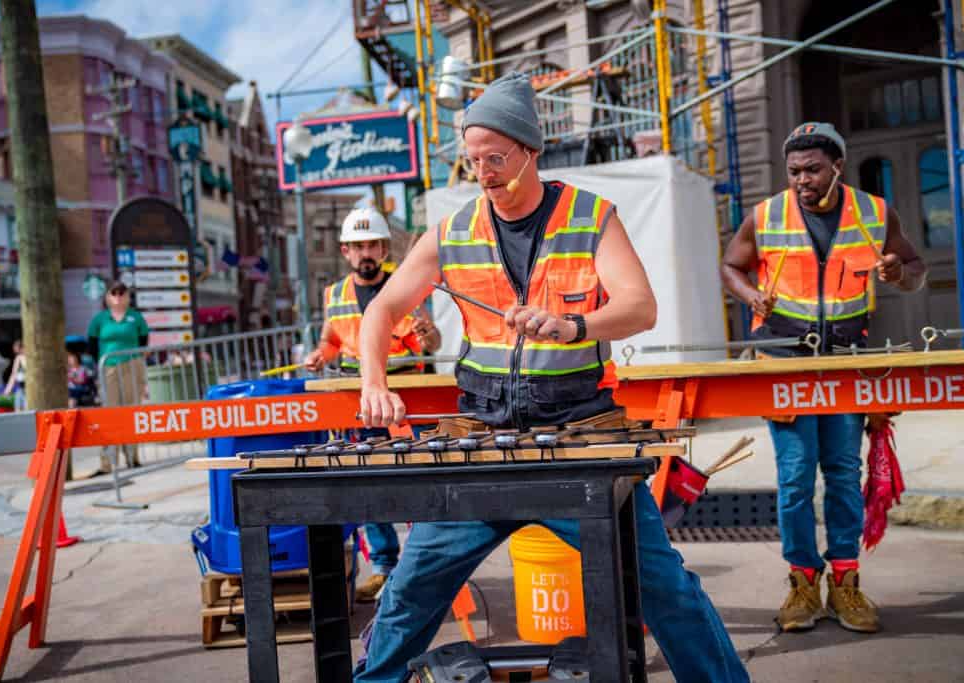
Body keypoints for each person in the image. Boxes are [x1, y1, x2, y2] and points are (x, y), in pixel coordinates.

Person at [356, 72, 748, 683]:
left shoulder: (590, 217)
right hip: (481, 447)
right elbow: (381, 310)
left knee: (664, 587)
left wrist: (573, 325)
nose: (483, 171)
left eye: (496, 158)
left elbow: (640, 306)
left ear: (530, 152)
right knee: (408, 594)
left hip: (579, 442)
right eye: (473, 159)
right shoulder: (454, 232)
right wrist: (373, 382)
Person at [720, 122, 927, 634]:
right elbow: (730, 265)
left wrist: (896, 272)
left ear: (837, 166)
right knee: (794, 478)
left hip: (845, 365)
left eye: (812, 169)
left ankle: (846, 582)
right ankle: (802, 582)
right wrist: (751, 297)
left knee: (841, 473)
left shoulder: (875, 213)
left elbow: (917, 266)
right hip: (784, 363)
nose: (802, 180)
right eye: (794, 171)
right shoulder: (765, 216)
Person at [305, 206, 442, 603]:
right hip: (360, 398)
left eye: (372, 245)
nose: (365, 253)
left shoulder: (406, 286)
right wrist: (320, 355)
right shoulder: (336, 295)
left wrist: (428, 332)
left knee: (417, 482)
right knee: (369, 484)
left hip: (404, 398)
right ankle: (384, 567)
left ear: (384, 248)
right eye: (358, 246)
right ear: (346, 251)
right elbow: (331, 341)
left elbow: (432, 346)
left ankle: (421, 568)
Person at [88, 281, 149, 471]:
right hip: (108, 367)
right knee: (109, 412)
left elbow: (143, 340)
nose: (118, 296)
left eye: (122, 293)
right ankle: (108, 462)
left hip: (131, 365)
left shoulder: (135, 317)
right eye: (113, 293)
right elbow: (91, 343)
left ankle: (132, 456)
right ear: (107, 297)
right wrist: (101, 362)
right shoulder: (100, 319)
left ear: (128, 297)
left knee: (131, 410)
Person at [3, 339, 27, 412]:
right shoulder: (19, 358)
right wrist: (8, 389)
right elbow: (14, 375)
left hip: (25, 388)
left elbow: (13, 375)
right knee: (20, 409)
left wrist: (8, 390)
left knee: (22, 409)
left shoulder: (20, 358)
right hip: (21, 387)